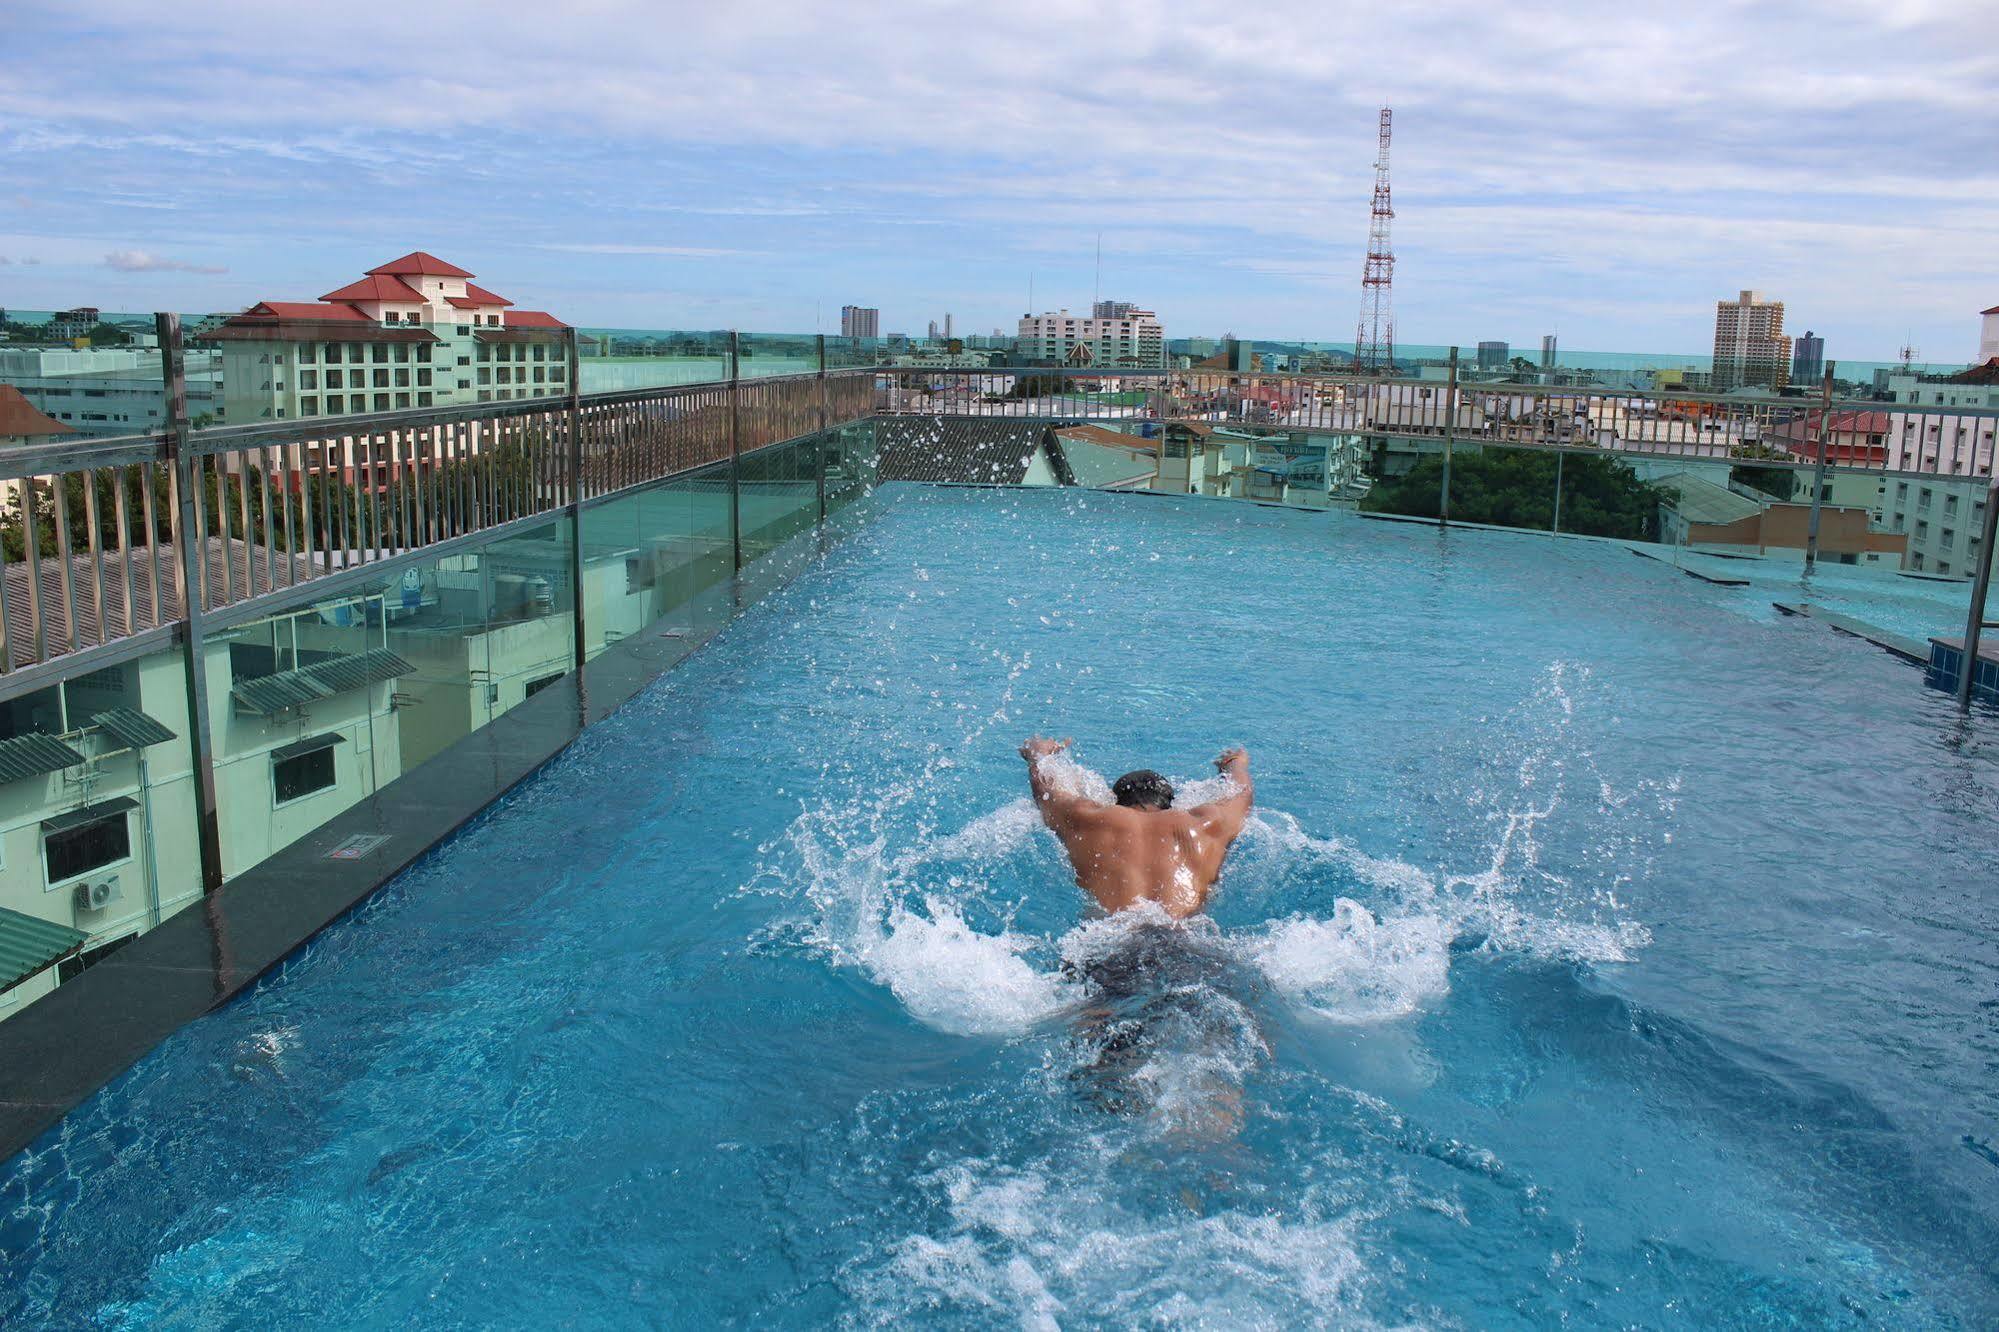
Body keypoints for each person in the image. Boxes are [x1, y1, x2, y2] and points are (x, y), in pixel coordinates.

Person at [1019, 737, 1253, 919]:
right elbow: (1242, 794)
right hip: (1183, 941)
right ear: (1171, 804)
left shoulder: (1088, 817)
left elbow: (1045, 790)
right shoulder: (1204, 823)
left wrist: (1038, 754)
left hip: (1110, 940)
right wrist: (1234, 765)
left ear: (1114, 801)